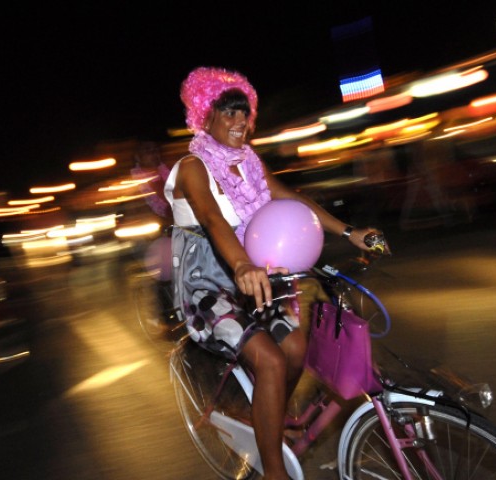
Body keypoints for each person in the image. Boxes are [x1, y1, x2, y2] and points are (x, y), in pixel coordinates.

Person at [164, 66, 384, 479]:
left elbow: (292, 200)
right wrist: (243, 263)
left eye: (243, 112)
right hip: (206, 286)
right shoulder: (192, 167)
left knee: (295, 349)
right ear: (204, 115)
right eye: (227, 112)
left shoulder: (249, 164)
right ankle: (274, 472)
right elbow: (212, 219)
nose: (238, 121)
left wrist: (350, 232)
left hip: (253, 275)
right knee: (269, 360)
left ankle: (266, 417)